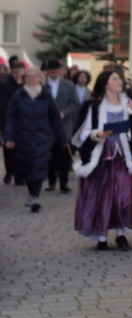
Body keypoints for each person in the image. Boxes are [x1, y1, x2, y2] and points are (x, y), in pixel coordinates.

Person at [72, 69, 132, 250]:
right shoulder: (94, 105)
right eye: (115, 79)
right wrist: (99, 134)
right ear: (106, 84)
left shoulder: (128, 103)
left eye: (119, 79)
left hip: (124, 155)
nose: (119, 81)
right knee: (104, 196)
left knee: (124, 194)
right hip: (102, 155)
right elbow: (83, 131)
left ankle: (121, 234)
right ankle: (102, 236)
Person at [3, 67, 69, 212]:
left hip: (42, 137)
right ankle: (31, 193)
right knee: (26, 166)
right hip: (22, 137)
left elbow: (55, 118)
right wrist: (8, 137)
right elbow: (10, 117)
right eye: (28, 77)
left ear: (40, 78)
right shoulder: (18, 95)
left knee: (39, 165)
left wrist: (62, 138)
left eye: (34, 76)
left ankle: (35, 196)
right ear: (24, 79)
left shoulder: (46, 95)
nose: (31, 79)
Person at [43, 58, 79, 193]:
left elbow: (74, 104)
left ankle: (64, 182)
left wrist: (64, 113)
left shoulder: (68, 85)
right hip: (47, 125)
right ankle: (51, 181)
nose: (55, 74)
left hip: (64, 125)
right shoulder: (42, 84)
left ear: (61, 71)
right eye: (52, 71)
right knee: (50, 155)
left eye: (57, 71)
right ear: (47, 72)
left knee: (64, 155)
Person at [0, 56, 26, 184]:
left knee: (22, 149)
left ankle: (19, 176)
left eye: (20, 72)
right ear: (11, 71)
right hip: (8, 121)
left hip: (24, 122)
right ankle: (10, 171)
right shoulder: (4, 83)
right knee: (9, 149)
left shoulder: (26, 83)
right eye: (15, 73)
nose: (17, 75)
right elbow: (3, 105)